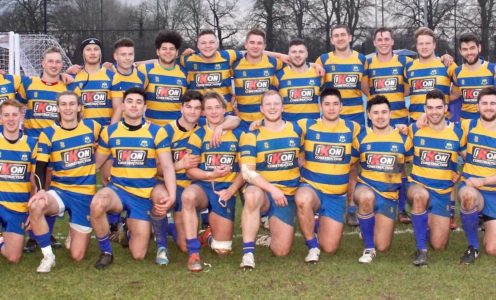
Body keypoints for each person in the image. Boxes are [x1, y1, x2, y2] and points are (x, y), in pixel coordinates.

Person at [150, 90, 240, 265]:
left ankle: (205, 233)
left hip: (196, 184)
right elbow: (159, 169)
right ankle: (162, 243)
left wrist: (222, 126)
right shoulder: (166, 131)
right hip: (173, 184)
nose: (193, 111)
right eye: (189, 107)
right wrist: (181, 165)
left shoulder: (204, 127)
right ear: (181, 108)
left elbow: (234, 119)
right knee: (165, 201)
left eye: (197, 108)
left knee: (222, 249)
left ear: (202, 112)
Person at [90, 87, 176, 270]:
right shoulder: (110, 132)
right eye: (129, 101)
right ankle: (106, 252)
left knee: (138, 254)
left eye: (138, 102)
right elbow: (95, 164)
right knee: (97, 203)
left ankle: (127, 228)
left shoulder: (157, 132)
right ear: (122, 106)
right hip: (118, 190)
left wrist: (173, 195)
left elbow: (167, 167)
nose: (134, 106)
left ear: (145, 107)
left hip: (144, 194)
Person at [27, 92, 101, 273]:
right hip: (60, 191)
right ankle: (48, 256)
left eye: (71, 104)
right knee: (36, 205)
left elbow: (110, 146)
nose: (68, 108)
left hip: (84, 196)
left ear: (79, 107)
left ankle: (72, 230)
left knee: (77, 256)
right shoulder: (49, 133)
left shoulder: (93, 127)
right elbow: (41, 167)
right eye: (63, 104)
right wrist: (41, 191)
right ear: (58, 108)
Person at [295, 87, 360, 263]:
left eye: (335, 104)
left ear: (342, 107)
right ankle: (312, 246)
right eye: (327, 104)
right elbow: (281, 131)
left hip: (336, 196)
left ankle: (316, 221)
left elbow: (374, 141)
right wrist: (258, 124)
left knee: (330, 248)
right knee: (302, 200)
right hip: (312, 188)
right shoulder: (306, 126)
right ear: (320, 107)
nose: (331, 108)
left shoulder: (352, 128)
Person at [239, 90, 303, 269]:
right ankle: (248, 253)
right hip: (265, 193)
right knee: (251, 195)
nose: (272, 108)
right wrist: (272, 189)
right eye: (268, 104)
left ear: (283, 107)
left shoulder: (297, 129)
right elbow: (247, 173)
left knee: (281, 251)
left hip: (287, 195)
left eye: (276, 104)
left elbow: (304, 155)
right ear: (261, 108)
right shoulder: (251, 135)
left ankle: (269, 236)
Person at [181, 92, 244, 272]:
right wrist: (211, 174)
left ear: (225, 109)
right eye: (209, 108)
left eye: (217, 107)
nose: (214, 112)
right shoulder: (198, 134)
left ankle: (207, 235)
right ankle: (194, 253)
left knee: (222, 250)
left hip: (225, 190)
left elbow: (245, 169)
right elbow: (190, 170)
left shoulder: (238, 134)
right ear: (203, 113)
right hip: (204, 186)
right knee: (188, 196)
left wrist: (231, 189)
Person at [315, 24, 369, 225]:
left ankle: (352, 208)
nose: (339, 38)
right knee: (329, 160)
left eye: (342, 35)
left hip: (354, 119)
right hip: (330, 120)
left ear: (350, 37)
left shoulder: (361, 59)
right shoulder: (323, 60)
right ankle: (324, 204)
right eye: (335, 36)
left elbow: (365, 89)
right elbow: (316, 85)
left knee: (353, 164)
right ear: (331, 39)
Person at [17, 46, 68, 252]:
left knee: (51, 189)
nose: (54, 65)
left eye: (58, 62)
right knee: (31, 188)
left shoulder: (66, 87)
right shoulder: (29, 84)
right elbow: (17, 106)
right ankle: (32, 234)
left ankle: (47, 233)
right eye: (50, 61)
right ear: (42, 63)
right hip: (32, 147)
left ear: (61, 65)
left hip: (55, 147)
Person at [408, 89, 464, 266]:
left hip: (442, 193)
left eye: (438, 107)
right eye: (430, 108)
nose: (434, 112)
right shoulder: (414, 130)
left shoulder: (457, 132)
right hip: (418, 186)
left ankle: (425, 220)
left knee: (439, 245)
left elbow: (470, 159)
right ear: (425, 109)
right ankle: (421, 250)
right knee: (419, 196)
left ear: (446, 108)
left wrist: (460, 174)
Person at [353, 95, 413, 263]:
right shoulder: (361, 138)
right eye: (376, 113)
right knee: (366, 198)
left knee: (383, 246)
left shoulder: (402, 139)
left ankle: (368, 227)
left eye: (384, 112)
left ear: (390, 114)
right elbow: (349, 166)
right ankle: (368, 249)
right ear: (369, 115)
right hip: (366, 187)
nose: (380, 116)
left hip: (389, 195)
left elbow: (411, 165)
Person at [365, 27, 412, 223]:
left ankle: (400, 209)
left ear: (392, 42)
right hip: (377, 119)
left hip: (399, 118)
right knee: (377, 161)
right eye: (379, 39)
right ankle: (377, 202)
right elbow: (364, 85)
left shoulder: (405, 61)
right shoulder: (367, 63)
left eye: (387, 39)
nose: (383, 42)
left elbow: (410, 85)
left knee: (399, 166)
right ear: (375, 43)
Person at [458, 87, 496, 264]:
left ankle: (485, 223)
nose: (489, 107)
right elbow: (447, 135)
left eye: (493, 103)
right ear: (477, 106)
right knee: (467, 194)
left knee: (492, 249)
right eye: (485, 103)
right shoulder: (468, 125)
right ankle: (473, 247)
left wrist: (483, 180)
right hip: (475, 191)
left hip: (493, 191)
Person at [0, 99, 37, 263]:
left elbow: (34, 181)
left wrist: (32, 210)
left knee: (13, 257)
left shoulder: (31, 144)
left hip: (17, 207)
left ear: (21, 116)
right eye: (6, 115)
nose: (10, 119)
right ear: (1, 118)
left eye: (14, 115)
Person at [180, 30, 243, 114]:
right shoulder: (188, 60)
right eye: (203, 43)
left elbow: (251, 52)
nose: (208, 46)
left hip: (225, 113)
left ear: (217, 44)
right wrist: (182, 55)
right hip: (200, 115)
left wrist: (266, 53)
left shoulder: (228, 56)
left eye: (211, 42)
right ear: (198, 45)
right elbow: (168, 61)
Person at [232, 28, 284, 130]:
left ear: (264, 46)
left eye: (259, 43)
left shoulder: (274, 63)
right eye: (252, 42)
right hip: (242, 123)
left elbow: (297, 62)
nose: (255, 46)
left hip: (266, 123)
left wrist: (315, 66)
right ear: (246, 45)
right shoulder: (235, 65)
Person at [138, 31, 188, 126]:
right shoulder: (146, 70)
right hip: (151, 129)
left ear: (177, 52)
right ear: (158, 51)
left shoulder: (184, 73)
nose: (168, 52)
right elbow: (135, 97)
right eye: (164, 49)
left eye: (171, 49)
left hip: (176, 129)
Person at [67, 38, 120, 126]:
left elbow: (118, 108)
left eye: (96, 49)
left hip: (105, 132)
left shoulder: (113, 76)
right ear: (83, 53)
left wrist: (110, 131)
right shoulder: (73, 78)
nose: (92, 53)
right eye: (88, 49)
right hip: (82, 133)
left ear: (100, 53)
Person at [273, 39, 322, 122]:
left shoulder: (318, 73)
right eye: (294, 52)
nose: (297, 55)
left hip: (312, 130)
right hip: (289, 131)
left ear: (306, 54)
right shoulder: (279, 76)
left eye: (301, 52)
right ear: (288, 54)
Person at [451, 33, 496, 121]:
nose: (469, 52)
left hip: (488, 122)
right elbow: (454, 95)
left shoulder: (492, 69)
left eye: (472, 48)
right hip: (465, 122)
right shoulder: (457, 72)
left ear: (479, 48)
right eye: (465, 49)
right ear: (460, 51)